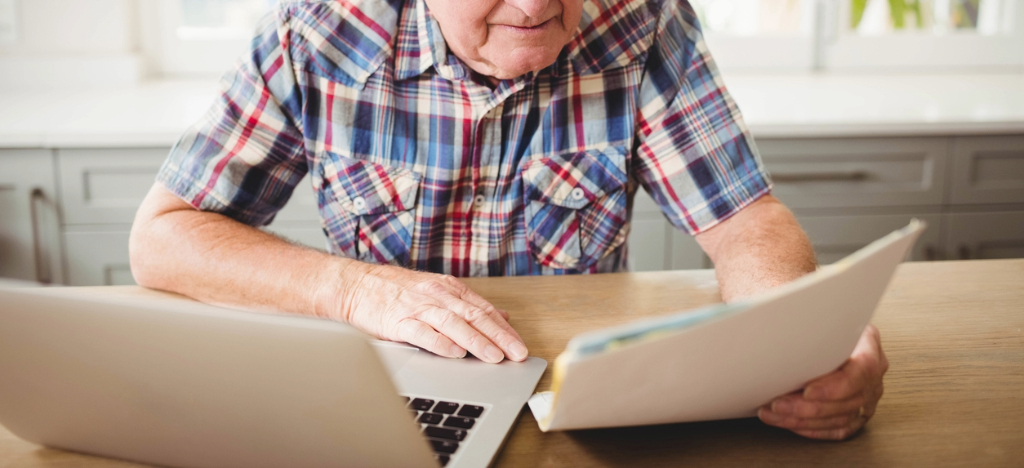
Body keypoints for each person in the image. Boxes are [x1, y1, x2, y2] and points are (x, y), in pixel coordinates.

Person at [129, 0, 888, 441]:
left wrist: (793, 336)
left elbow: (743, 219)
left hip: (585, 408)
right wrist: (355, 290)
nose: (534, 7)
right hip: (387, 408)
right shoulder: (318, 31)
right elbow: (163, 237)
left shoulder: (643, 22)